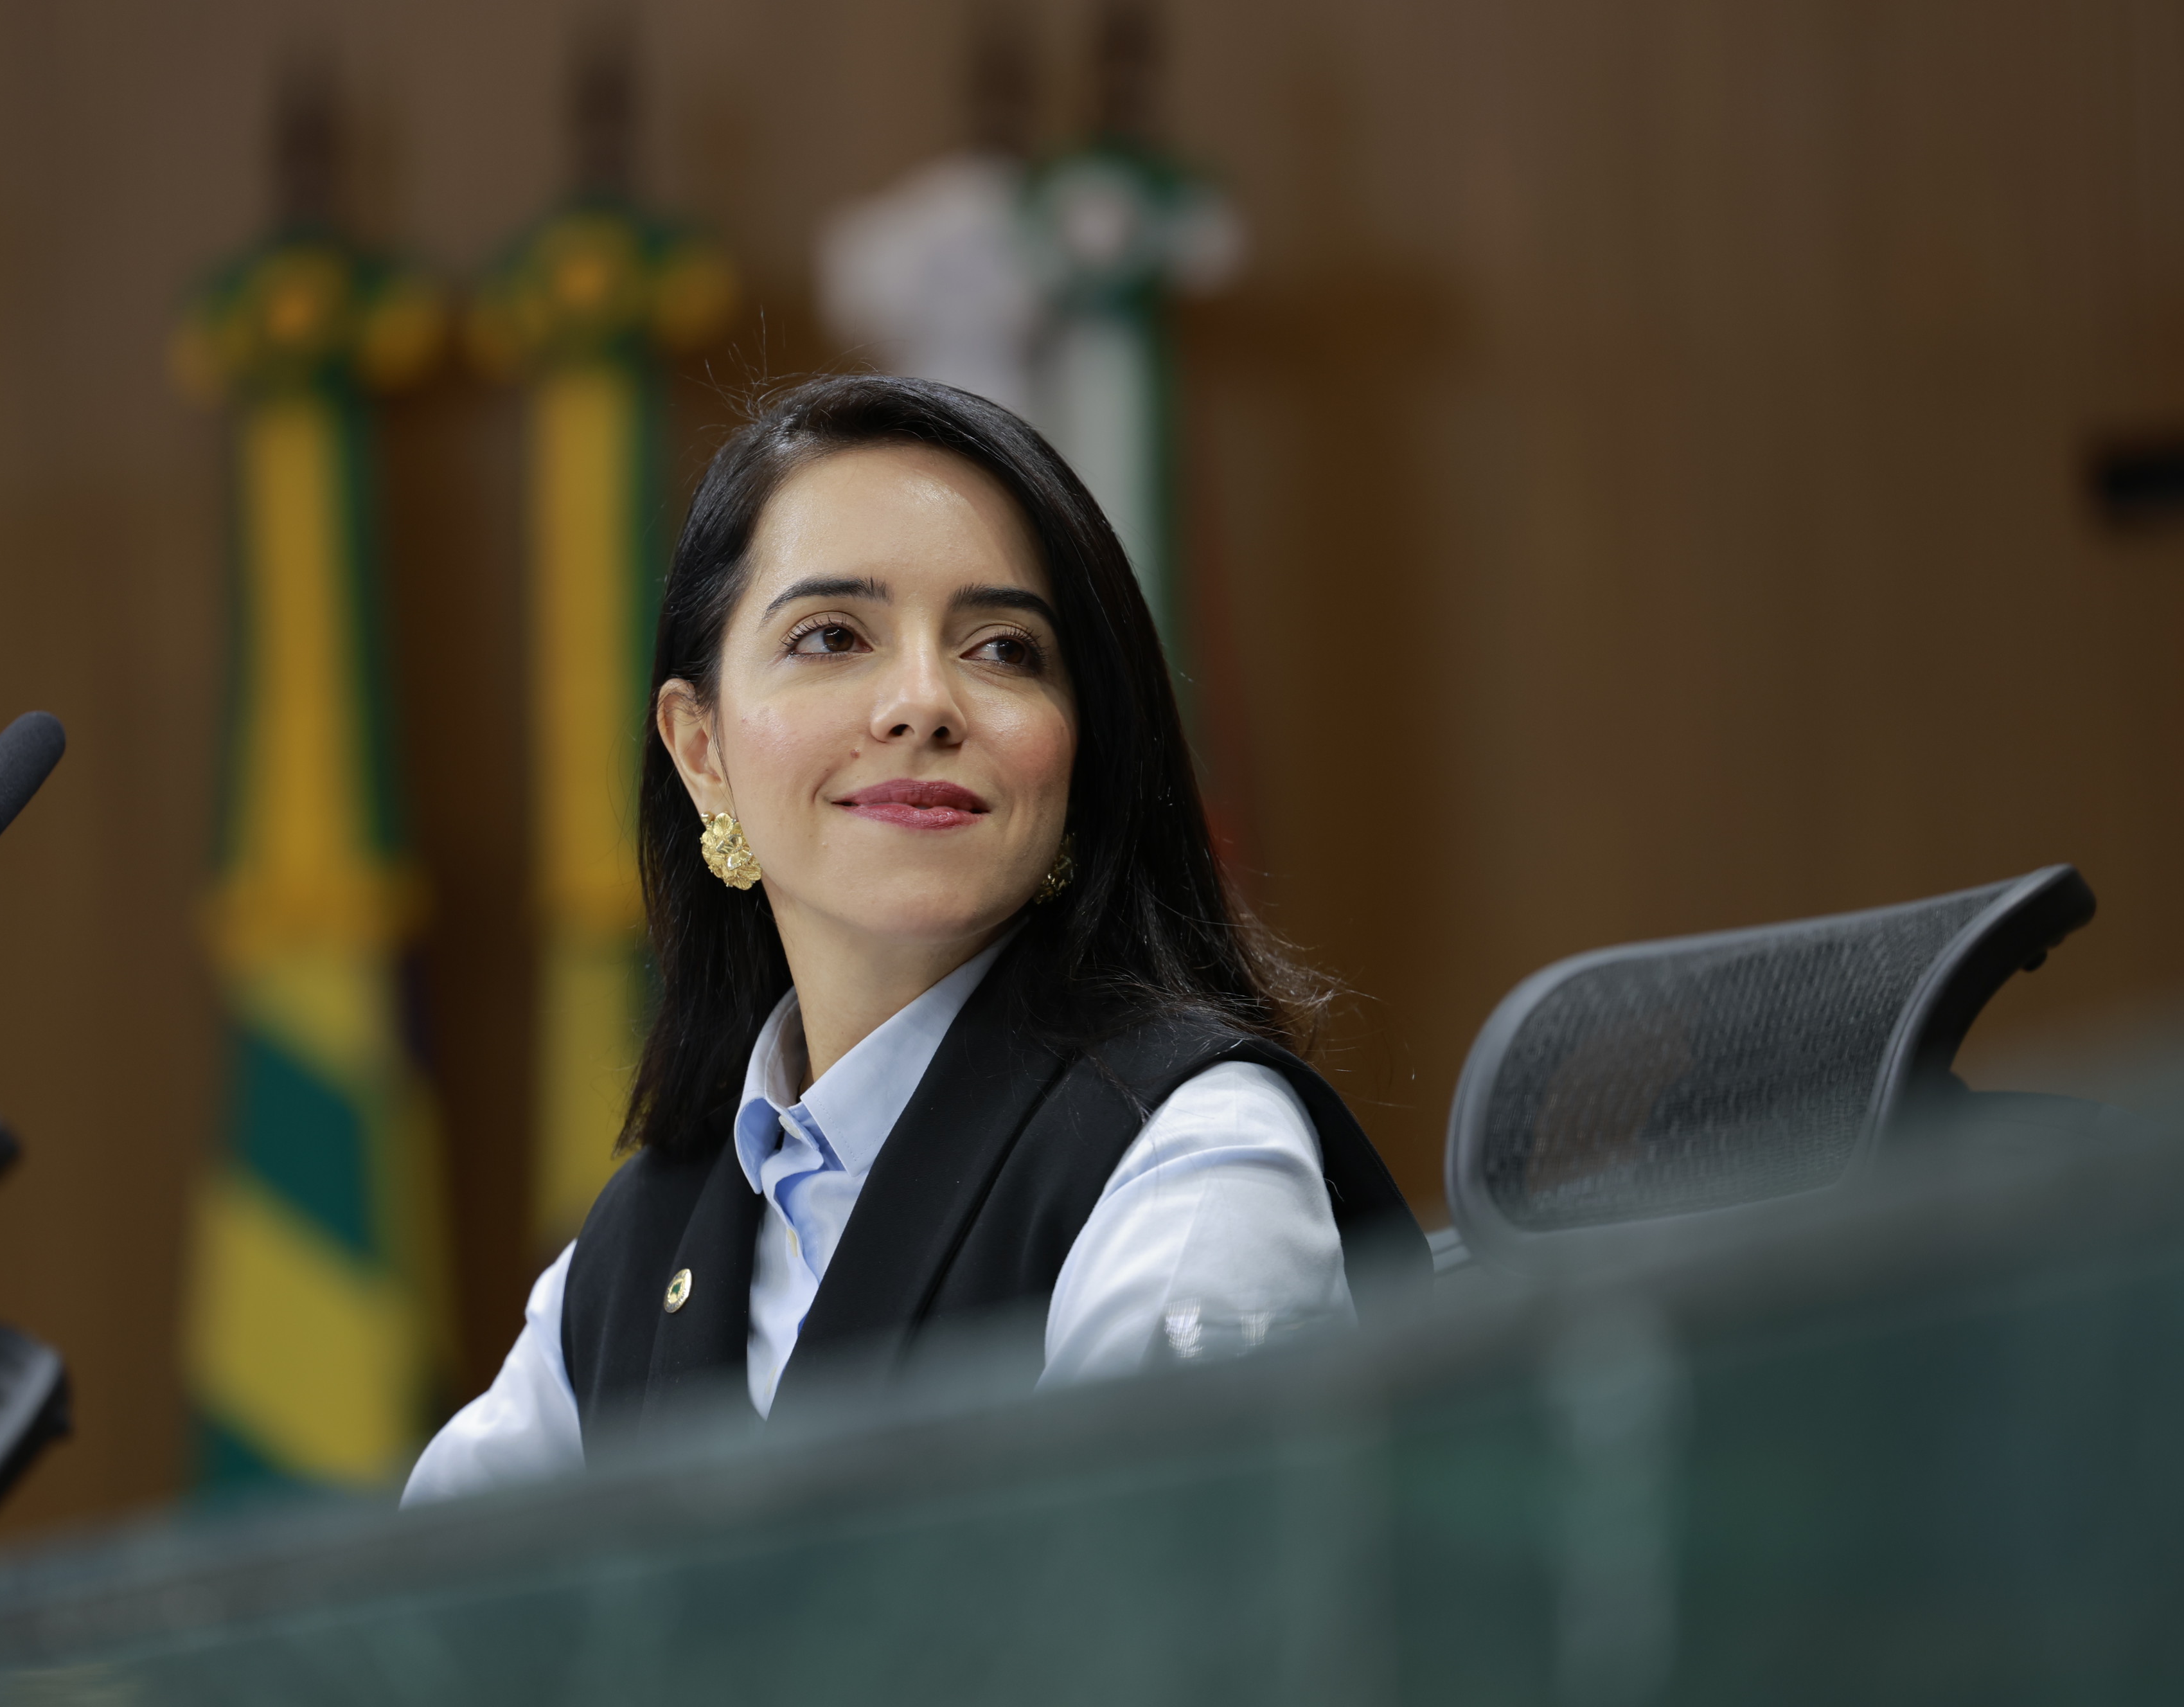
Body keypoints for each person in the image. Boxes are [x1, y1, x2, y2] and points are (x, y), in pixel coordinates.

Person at [404, 374, 1423, 1501]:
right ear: (702, 753)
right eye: (833, 636)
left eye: (1004, 650)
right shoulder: (634, 1251)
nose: (924, 701)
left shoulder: (1192, 1156)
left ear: (1082, 755)